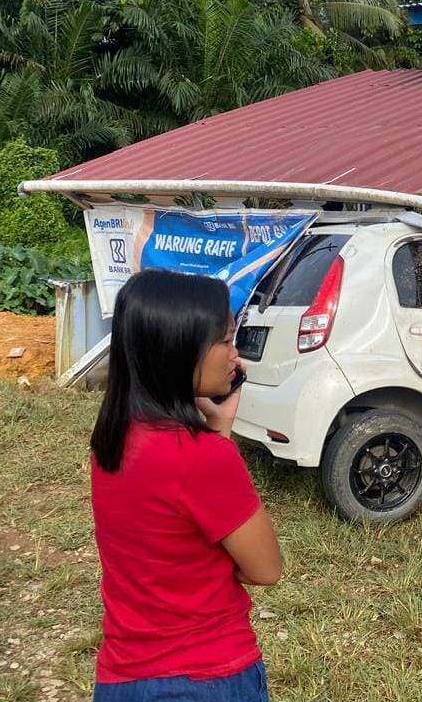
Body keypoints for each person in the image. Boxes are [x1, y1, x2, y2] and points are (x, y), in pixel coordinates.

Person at [90, 269, 280, 701]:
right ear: (180, 348)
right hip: (206, 676)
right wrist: (220, 438)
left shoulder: (111, 442)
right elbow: (266, 569)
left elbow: (162, 551)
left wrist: (219, 427)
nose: (236, 354)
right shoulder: (203, 458)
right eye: (226, 340)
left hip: (123, 678)